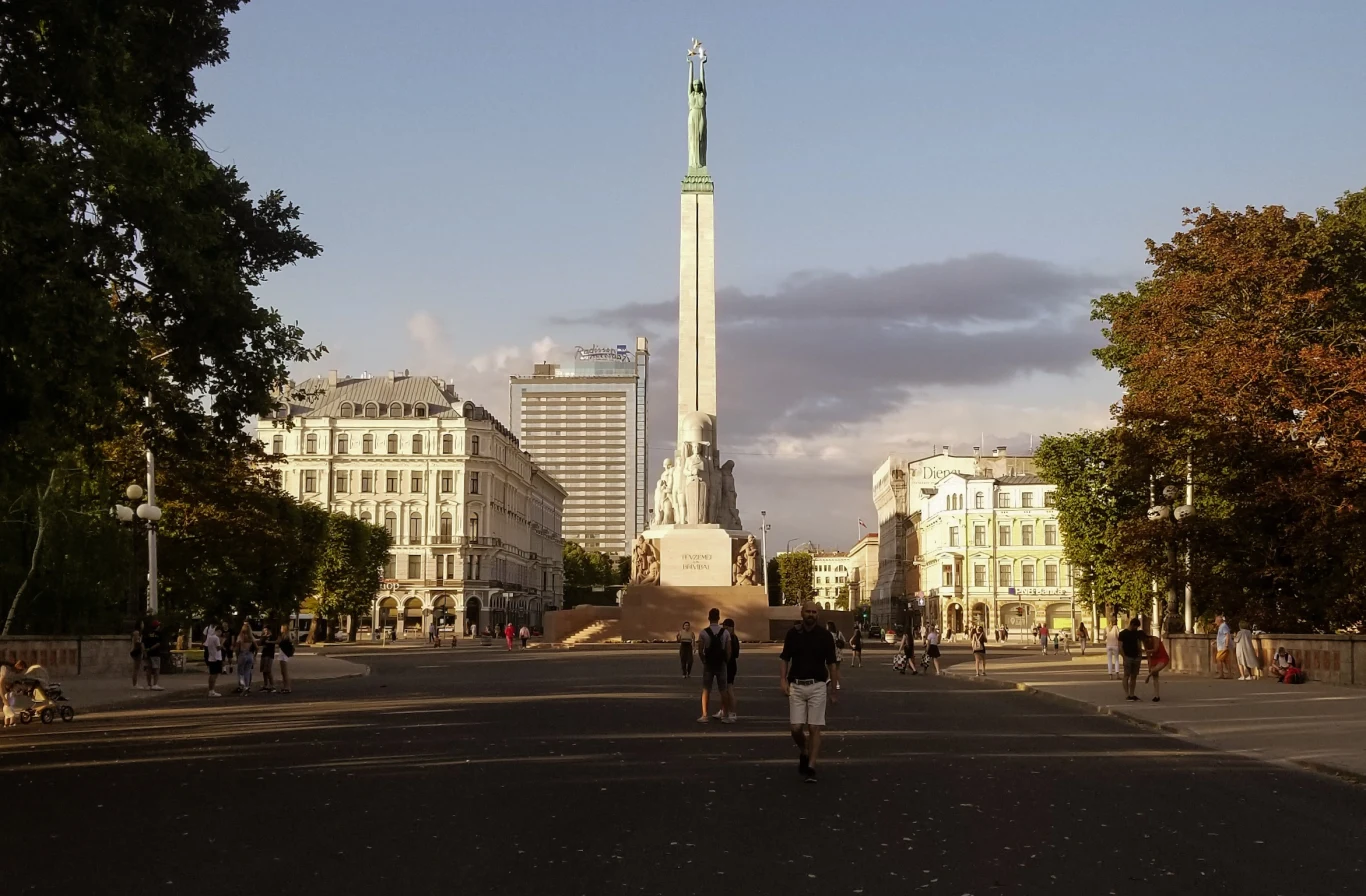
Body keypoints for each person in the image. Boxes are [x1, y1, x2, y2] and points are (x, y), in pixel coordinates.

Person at [780, 601, 839, 783]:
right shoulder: (793, 634)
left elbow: (832, 664)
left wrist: (834, 689)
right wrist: (782, 680)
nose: (811, 614)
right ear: (802, 613)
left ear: (818, 615)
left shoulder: (825, 636)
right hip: (796, 685)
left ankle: (811, 767)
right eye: (808, 611)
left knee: (814, 727)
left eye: (814, 612)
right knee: (796, 728)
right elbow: (784, 658)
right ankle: (804, 750)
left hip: (818, 685)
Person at [696, 608, 734, 723]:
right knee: (723, 689)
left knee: (706, 689)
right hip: (721, 663)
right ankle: (725, 715)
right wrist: (725, 661)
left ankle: (704, 715)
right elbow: (729, 650)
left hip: (709, 663)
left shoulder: (703, 632)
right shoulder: (725, 632)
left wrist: (704, 661)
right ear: (718, 618)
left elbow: (700, 650)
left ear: (708, 618)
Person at [712, 618, 739, 722]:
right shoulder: (729, 637)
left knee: (729, 689)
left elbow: (734, 654)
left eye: (725, 627)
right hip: (727, 665)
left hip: (729, 665)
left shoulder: (731, 638)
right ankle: (723, 710)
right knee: (723, 690)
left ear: (730, 627)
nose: (723, 628)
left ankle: (732, 713)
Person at [1118, 618, 1144, 701]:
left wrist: (1140, 654)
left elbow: (1139, 644)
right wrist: (1124, 657)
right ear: (1132, 624)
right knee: (1126, 675)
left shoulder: (1136, 634)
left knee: (1134, 676)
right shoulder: (1123, 634)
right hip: (1128, 657)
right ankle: (1127, 694)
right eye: (1135, 626)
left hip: (1136, 657)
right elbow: (1120, 646)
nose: (1136, 628)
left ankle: (1132, 694)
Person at [1144, 633, 1170, 702]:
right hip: (1154, 658)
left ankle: (1148, 676)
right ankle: (1156, 695)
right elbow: (1148, 656)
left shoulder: (1155, 639)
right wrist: (1149, 666)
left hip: (1162, 657)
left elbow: (1155, 649)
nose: (1147, 642)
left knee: (1155, 670)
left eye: (1148, 640)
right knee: (1155, 677)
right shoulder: (1145, 643)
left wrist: (1146, 651)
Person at [142, 620, 166, 691]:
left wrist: (145, 651)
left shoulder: (147, 633)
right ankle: (155, 684)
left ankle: (149, 685)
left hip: (147, 654)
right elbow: (158, 644)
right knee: (156, 669)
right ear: (157, 626)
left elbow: (142, 643)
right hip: (155, 653)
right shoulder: (159, 634)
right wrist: (151, 648)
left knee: (148, 669)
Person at [235, 623, 258, 695]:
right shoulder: (251, 637)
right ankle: (247, 686)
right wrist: (255, 656)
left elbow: (237, 649)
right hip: (250, 655)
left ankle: (243, 687)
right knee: (247, 672)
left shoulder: (240, 637)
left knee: (240, 672)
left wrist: (237, 656)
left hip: (242, 654)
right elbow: (257, 648)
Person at [204, 625, 224, 697]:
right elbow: (218, 648)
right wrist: (222, 642)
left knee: (212, 674)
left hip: (211, 657)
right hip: (216, 658)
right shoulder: (216, 638)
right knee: (214, 675)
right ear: (218, 631)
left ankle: (211, 690)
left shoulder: (209, 638)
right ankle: (212, 690)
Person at [1214, 615, 1234, 679]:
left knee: (1218, 659)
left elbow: (1227, 635)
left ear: (1219, 621)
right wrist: (1215, 641)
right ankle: (1229, 674)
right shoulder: (1222, 627)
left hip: (1223, 646)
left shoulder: (1223, 626)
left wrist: (1226, 645)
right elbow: (1221, 637)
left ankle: (1221, 674)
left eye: (1216, 621)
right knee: (1225, 661)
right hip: (1222, 646)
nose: (1215, 622)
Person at [258, 624, 277, 693]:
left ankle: (272, 686)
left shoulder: (272, 637)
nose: (265, 631)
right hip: (264, 654)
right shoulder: (264, 636)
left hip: (269, 654)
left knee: (268, 670)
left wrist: (269, 641)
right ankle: (265, 685)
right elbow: (260, 643)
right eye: (264, 630)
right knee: (264, 670)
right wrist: (262, 636)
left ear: (269, 630)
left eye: (266, 630)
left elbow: (275, 642)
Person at [276, 626, 294, 694]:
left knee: (284, 672)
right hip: (282, 654)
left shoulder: (286, 638)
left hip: (283, 654)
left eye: (281, 628)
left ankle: (287, 687)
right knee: (283, 672)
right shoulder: (284, 637)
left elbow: (280, 643)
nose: (280, 629)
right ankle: (285, 686)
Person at [129, 622, 143, 688]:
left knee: (136, 668)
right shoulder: (137, 633)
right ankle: (135, 684)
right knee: (136, 668)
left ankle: (135, 683)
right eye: (142, 623)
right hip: (136, 651)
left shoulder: (136, 632)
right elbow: (137, 642)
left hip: (135, 651)